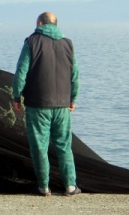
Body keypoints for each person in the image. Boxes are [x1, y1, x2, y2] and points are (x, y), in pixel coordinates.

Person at [12, 12, 81, 197]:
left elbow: (21, 72)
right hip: (62, 106)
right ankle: (71, 186)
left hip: (38, 104)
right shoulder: (68, 43)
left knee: (39, 146)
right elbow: (74, 75)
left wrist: (16, 97)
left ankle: (44, 186)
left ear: (40, 23)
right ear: (56, 24)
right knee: (64, 145)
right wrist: (72, 99)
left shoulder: (32, 42)